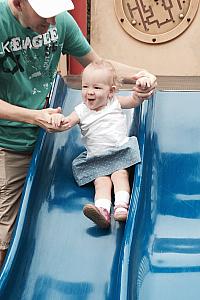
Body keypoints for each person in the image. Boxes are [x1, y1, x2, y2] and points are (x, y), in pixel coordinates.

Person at [0, 0, 156, 270]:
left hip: (50, 140)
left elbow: (99, 66)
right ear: (18, 3)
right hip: (12, 142)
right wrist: (33, 116)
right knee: (5, 233)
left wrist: (141, 75)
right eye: (45, 15)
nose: (52, 23)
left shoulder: (59, 20)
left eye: (55, 14)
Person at [50, 60, 152, 229]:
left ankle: (121, 206)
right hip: (97, 158)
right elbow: (67, 123)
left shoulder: (115, 103)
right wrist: (58, 119)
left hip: (120, 152)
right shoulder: (81, 110)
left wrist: (140, 89)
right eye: (85, 87)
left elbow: (134, 101)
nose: (89, 92)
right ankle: (102, 212)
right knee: (101, 182)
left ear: (111, 91)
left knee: (120, 175)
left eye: (96, 88)